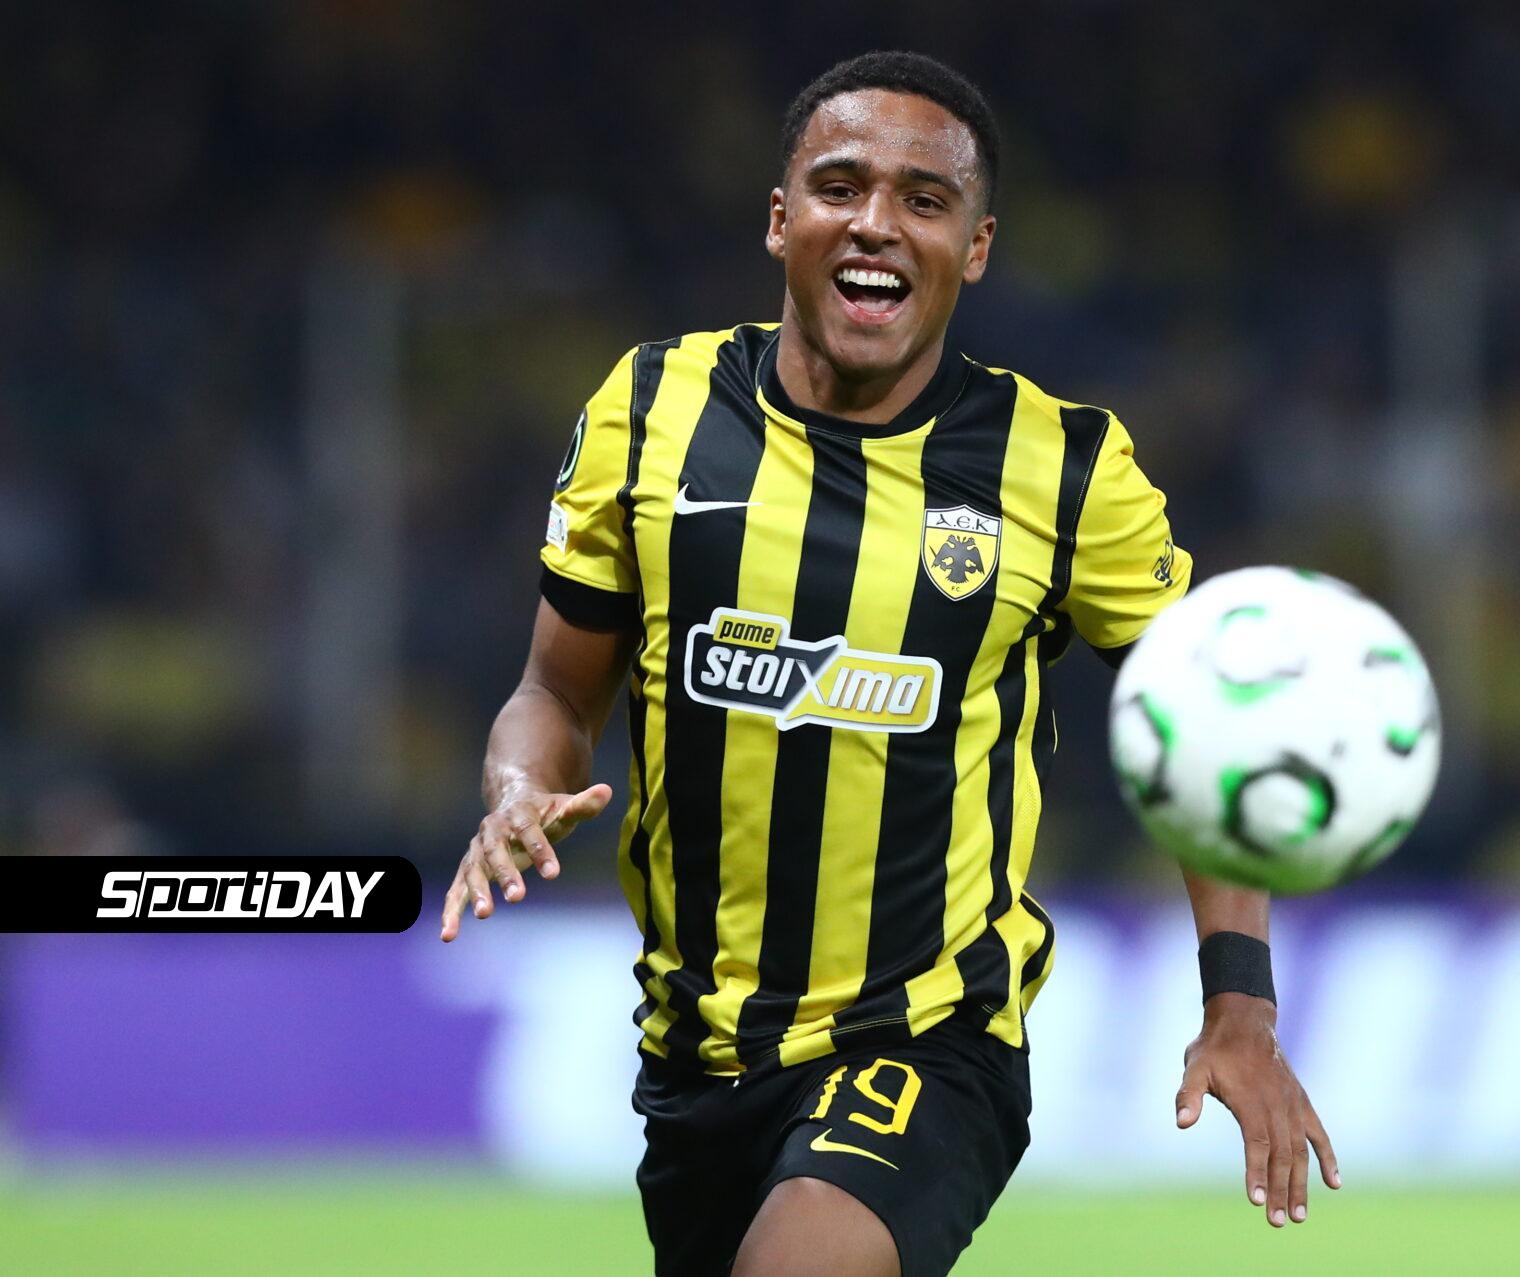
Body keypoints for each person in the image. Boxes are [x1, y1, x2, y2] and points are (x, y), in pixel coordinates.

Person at [439, 49, 1336, 1277]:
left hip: (929, 1040)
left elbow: (1203, 722)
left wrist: (1239, 1001)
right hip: (695, 1056)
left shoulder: (1062, 468)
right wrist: (517, 790)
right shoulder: (649, 410)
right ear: (780, 219)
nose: (876, 223)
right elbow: (553, 691)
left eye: (925, 199)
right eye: (840, 186)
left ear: (975, 245)